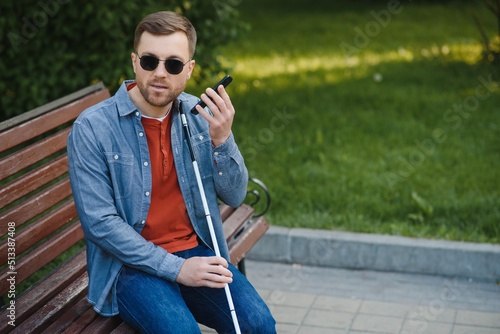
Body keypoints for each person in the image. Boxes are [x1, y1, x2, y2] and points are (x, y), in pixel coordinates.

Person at [67, 11, 276, 334]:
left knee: (258, 324)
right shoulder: (93, 128)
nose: (160, 73)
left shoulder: (197, 117)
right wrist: (177, 269)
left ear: (189, 69)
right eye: (150, 61)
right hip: (131, 266)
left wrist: (223, 140)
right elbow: (100, 224)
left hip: (196, 251)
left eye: (173, 64)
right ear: (135, 62)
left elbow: (235, 194)